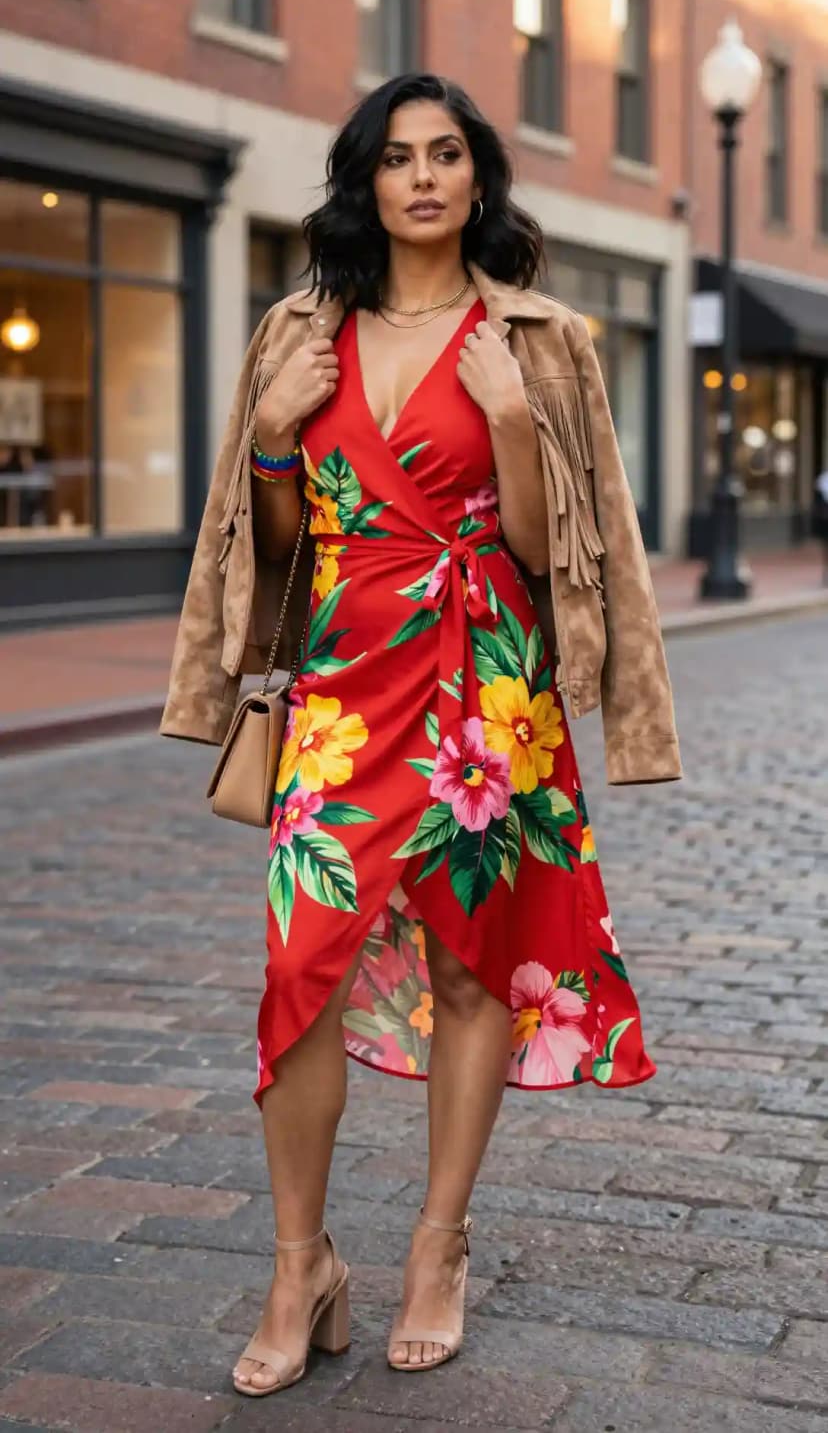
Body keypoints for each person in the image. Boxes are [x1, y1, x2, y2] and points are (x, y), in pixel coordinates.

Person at [160, 72, 681, 1397]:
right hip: (339, 692)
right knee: (300, 976)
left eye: (449, 154)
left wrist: (510, 419)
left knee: (469, 973)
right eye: (398, 158)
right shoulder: (298, 330)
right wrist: (277, 443)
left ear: (480, 180)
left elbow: (547, 548)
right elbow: (278, 553)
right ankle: (302, 1263)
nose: (425, 177)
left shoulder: (539, 338)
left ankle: (437, 1245)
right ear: (368, 182)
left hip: (483, 690)